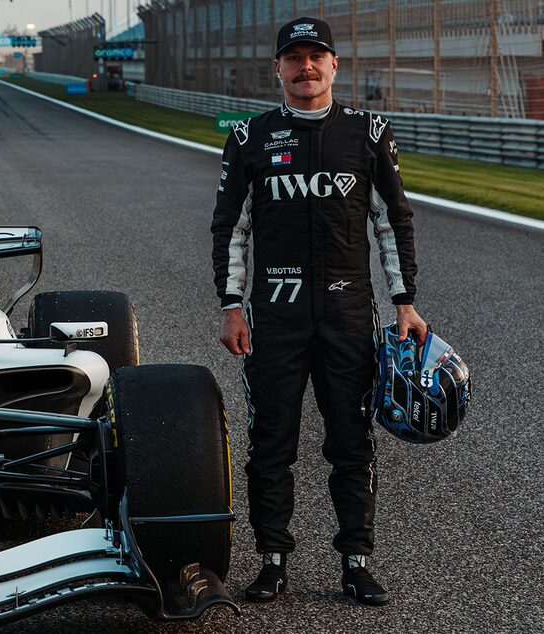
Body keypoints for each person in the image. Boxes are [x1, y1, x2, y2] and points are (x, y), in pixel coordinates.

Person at [211, 17, 425, 607]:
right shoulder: (250, 137)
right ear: (277, 68)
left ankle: (356, 562)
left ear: (335, 65)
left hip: (349, 317)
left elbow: (392, 221)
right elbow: (231, 228)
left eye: (316, 57)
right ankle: (273, 561)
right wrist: (232, 307)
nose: (306, 67)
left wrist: (403, 302)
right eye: (294, 58)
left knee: (351, 444)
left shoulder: (370, 132)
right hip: (274, 320)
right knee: (270, 445)